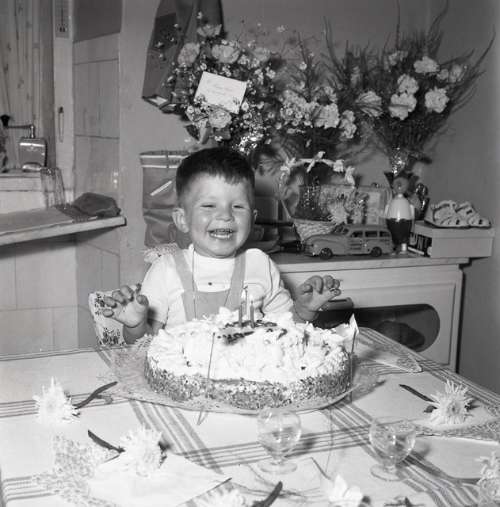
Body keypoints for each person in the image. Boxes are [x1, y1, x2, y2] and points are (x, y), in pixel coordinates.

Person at [102, 147, 341, 343]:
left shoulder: (259, 264)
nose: (225, 216)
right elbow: (143, 346)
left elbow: (288, 330)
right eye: (209, 206)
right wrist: (135, 325)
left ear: (253, 219)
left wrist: (305, 311)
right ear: (182, 219)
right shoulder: (166, 270)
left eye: (237, 206)